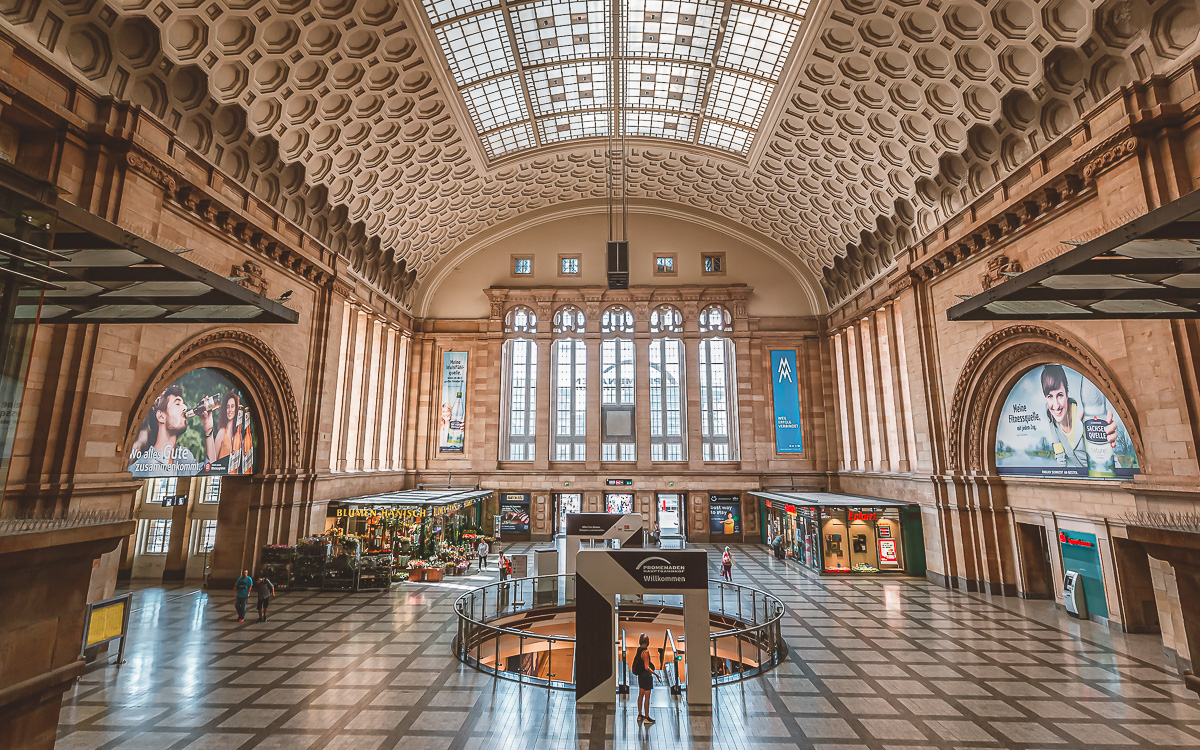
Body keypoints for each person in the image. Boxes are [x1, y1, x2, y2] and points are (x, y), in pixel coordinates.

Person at [1041, 364, 1117, 467]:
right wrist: (1062, 473)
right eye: (1050, 396)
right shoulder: (1050, 414)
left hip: (1103, 472)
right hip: (1081, 476)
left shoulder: (1084, 411)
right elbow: (1057, 446)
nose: (1056, 405)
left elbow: (1108, 457)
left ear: (1067, 392)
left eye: (1060, 395)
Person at [127, 384, 200, 477]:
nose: (185, 408)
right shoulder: (139, 469)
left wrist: (208, 431)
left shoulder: (186, 457)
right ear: (161, 416)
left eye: (183, 404)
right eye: (177, 404)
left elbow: (210, 470)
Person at [204, 390, 240, 462]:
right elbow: (213, 461)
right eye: (228, 407)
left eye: (232, 406)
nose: (230, 410)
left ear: (236, 409)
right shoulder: (222, 432)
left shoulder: (238, 435)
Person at [631, 633, 657, 725]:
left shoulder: (639, 650)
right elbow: (646, 667)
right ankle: (646, 717)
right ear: (647, 642)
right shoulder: (646, 652)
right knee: (647, 698)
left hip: (640, 676)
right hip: (646, 677)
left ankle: (640, 715)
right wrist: (655, 674)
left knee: (640, 695)